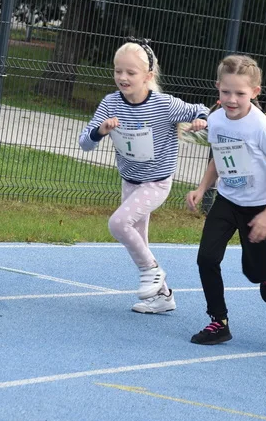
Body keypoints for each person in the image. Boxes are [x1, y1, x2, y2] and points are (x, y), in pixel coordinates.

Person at [79, 40, 208, 314]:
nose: (123, 78)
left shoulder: (164, 105)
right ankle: (163, 297)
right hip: (130, 181)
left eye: (131, 73)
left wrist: (201, 120)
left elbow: (200, 110)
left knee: (118, 223)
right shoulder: (110, 103)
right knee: (138, 240)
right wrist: (100, 131)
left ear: (148, 76)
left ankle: (152, 271)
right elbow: (84, 143)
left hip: (157, 182)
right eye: (118, 71)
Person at [186, 55, 266, 343]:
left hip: (258, 206)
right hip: (227, 200)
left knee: (254, 275)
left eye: (240, 93)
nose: (232, 99)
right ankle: (218, 321)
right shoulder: (216, 120)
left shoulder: (261, 128)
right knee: (206, 258)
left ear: (255, 93)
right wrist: (202, 187)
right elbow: (219, 158)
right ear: (217, 88)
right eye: (226, 92)